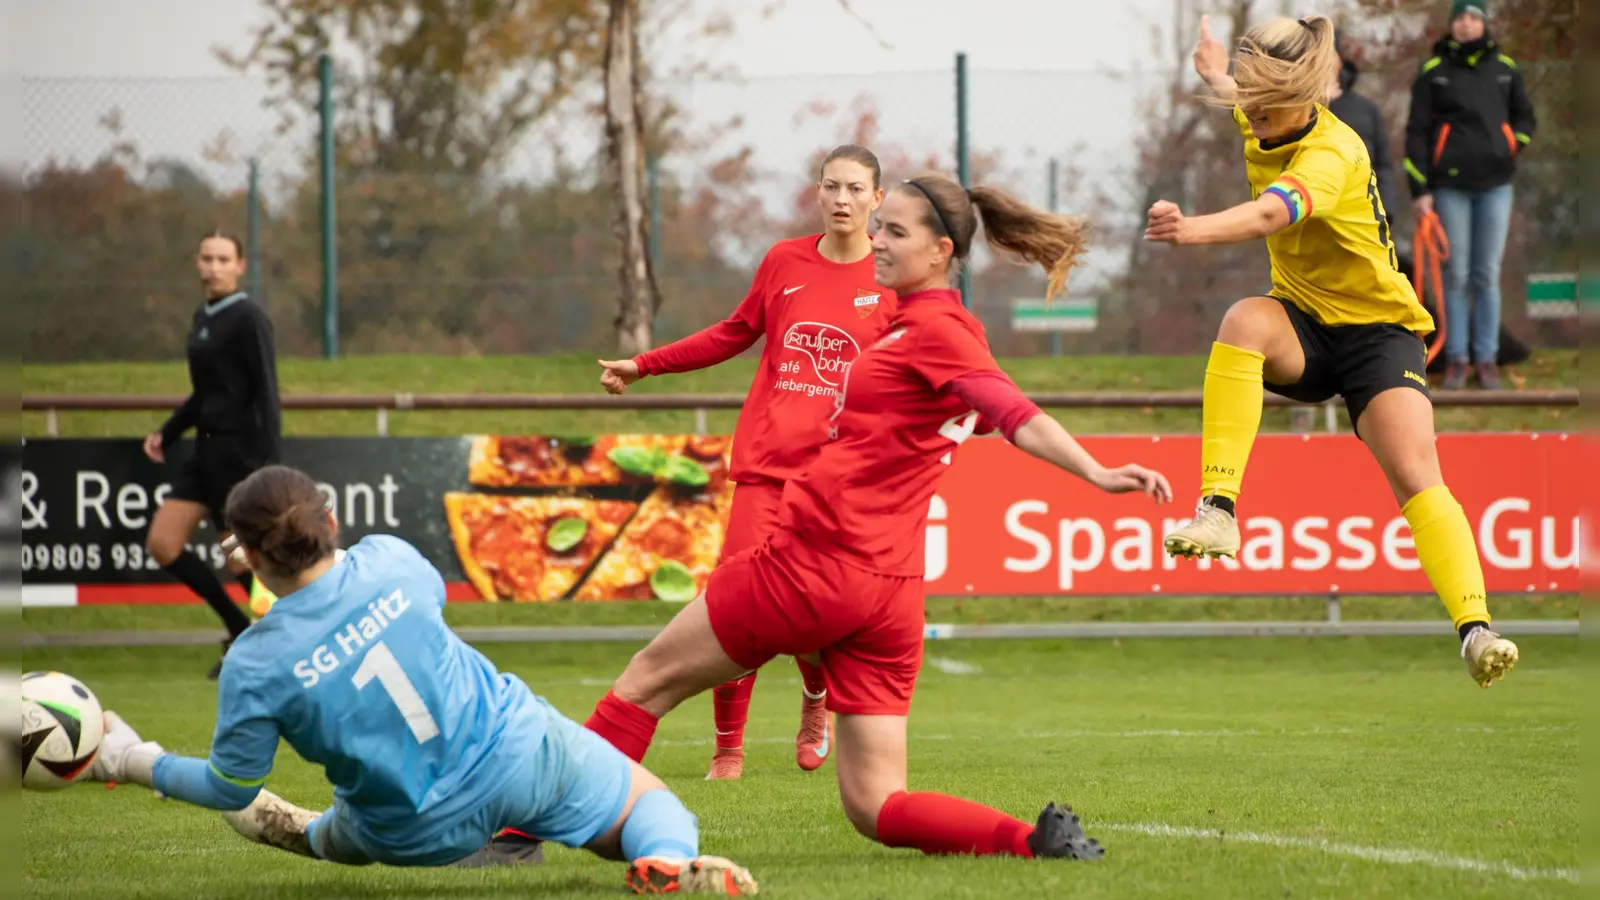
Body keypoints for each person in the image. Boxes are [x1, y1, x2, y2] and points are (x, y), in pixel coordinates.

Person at [582, 171, 1174, 861]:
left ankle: (515, 835)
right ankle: (1029, 843)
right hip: (888, 594)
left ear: (940, 251)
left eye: (894, 230)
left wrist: (1096, 471)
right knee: (874, 805)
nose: (876, 240)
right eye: (879, 225)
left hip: (815, 565)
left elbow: (1011, 410)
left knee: (641, 685)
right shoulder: (920, 327)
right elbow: (966, 409)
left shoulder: (939, 332)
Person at [85, 464, 757, 896]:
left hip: (404, 826)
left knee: (320, 835)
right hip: (517, 752)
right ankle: (667, 860)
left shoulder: (254, 663)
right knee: (648, 804)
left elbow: (229, 784)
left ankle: (299, 828)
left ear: (252, 558)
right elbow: (394, 589)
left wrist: (131, 759)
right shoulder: (390, 561)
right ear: (332, 523)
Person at [1146, 14, 1520, 688]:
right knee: (1244, 320)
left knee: (1414, 473)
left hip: (1378, 333)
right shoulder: (1267, 115)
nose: (1248, 113)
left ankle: (1475, 630)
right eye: (1247, 100)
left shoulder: (1333, 152)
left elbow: (1268, 214)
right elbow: (1240, 94)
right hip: (1306, 327)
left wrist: (1189, 229)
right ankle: (1219, 513)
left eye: (1260, 102)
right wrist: (1211, 72)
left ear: (1298, 96)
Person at [596, 144, 897, 782]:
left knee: (821, 611)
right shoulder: (784, 261)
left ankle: (816, 695)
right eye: (831, 186)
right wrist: (644, 364)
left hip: (838, 483)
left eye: (855, 189)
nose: (841, 199)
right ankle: (728, 751)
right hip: (766, 471)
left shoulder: (891, 282)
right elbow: (733, 333)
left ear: (877, 199)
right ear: (818, 192)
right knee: (735, 604)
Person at [143, 232, 282, 678]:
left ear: (240, 266)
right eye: (207, 258)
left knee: (239, 558)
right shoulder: (203, 315)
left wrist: (271, 462)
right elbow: (205, 394)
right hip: (203, 454)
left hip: (238, 458)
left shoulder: (248, 316)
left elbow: (267, 391)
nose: (214, 266)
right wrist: (167, 431)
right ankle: (238, 627)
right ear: (197, 263)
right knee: (162, 544)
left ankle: (276, 640)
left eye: (224, 259)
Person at [1403, 0, 1536, 389]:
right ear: (1451, 24)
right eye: (1459, 17)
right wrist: (1421, 189)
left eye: (1473, 17)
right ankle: (1458, 358)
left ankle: (1487, 358)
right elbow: (1416, 133)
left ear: (1484, 23)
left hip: (1496, 186)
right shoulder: (1433, 73)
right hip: (1449, 189)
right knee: (1456, 275)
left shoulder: (1506, 70)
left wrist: (1512, 143)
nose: (1465, 24)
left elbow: (1525, 117)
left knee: (1486, 274)